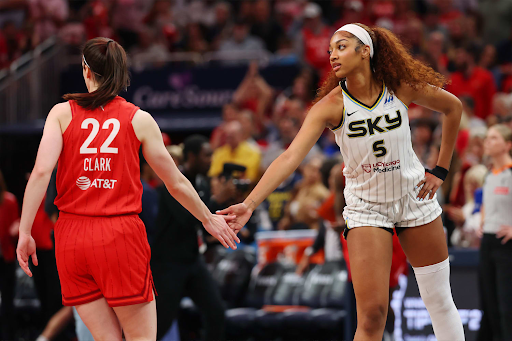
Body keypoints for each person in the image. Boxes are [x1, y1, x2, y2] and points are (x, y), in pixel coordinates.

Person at [218, 23, 465, 340]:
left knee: (439, 302)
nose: (333, 54)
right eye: (330, 50)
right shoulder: (331, 106)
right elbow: (290, 157)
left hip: (413, 196)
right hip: (367, 208)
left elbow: (453, 107)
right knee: (373, 316)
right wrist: (250, 203)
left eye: (342, 46)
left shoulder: (399, 86)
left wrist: (440, 169)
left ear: (365, 51)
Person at [15, 37, 239, 341]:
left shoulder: (60, 113)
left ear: (86, 70)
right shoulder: (139, 119)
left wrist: (26, 232)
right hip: (118, 236)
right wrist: (207, 217)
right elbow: (174, 181)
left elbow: (41, 172)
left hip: (71, 238)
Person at [152, 135, 227, 341]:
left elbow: (204, 224)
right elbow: (188, 219)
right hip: (168, 264)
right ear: (192, 157)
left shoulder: (201, 183)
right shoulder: (173, 183)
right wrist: (216, 199)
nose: (211, 160)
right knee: (161, 323)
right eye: (206, 155)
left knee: (216, 312)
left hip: (193, 260)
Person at [478, 124, 512, 341]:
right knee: (489, 306)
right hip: (487, 243)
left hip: (506, 245)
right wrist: (483, 221)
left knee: (506, 308)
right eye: (487, 137)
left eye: (493, 138)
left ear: (507, 144)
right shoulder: (489, 174)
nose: (487, 142)